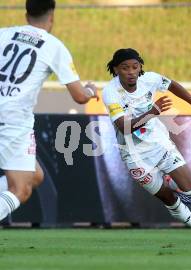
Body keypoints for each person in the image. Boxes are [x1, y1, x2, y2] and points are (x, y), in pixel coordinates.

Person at [102, 48, 191, 244]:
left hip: (159, 145)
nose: (130, 72)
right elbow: (124, 127)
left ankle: (171, 179)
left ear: (140, 68)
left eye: (135, 67)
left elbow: (172, 85)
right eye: (125, 68)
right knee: (168, 198)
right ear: (115, 69)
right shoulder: (111, 92)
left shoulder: (150, 79)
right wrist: (152, 112)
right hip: (133, 155)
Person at [0, 0, 98, 222]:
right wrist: (91, 90)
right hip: (13, 120)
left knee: (35, 175)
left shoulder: (4, 34)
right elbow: (80, 96)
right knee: (20, 189)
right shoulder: (53, 46)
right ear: (52, 16)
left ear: (26, 15)